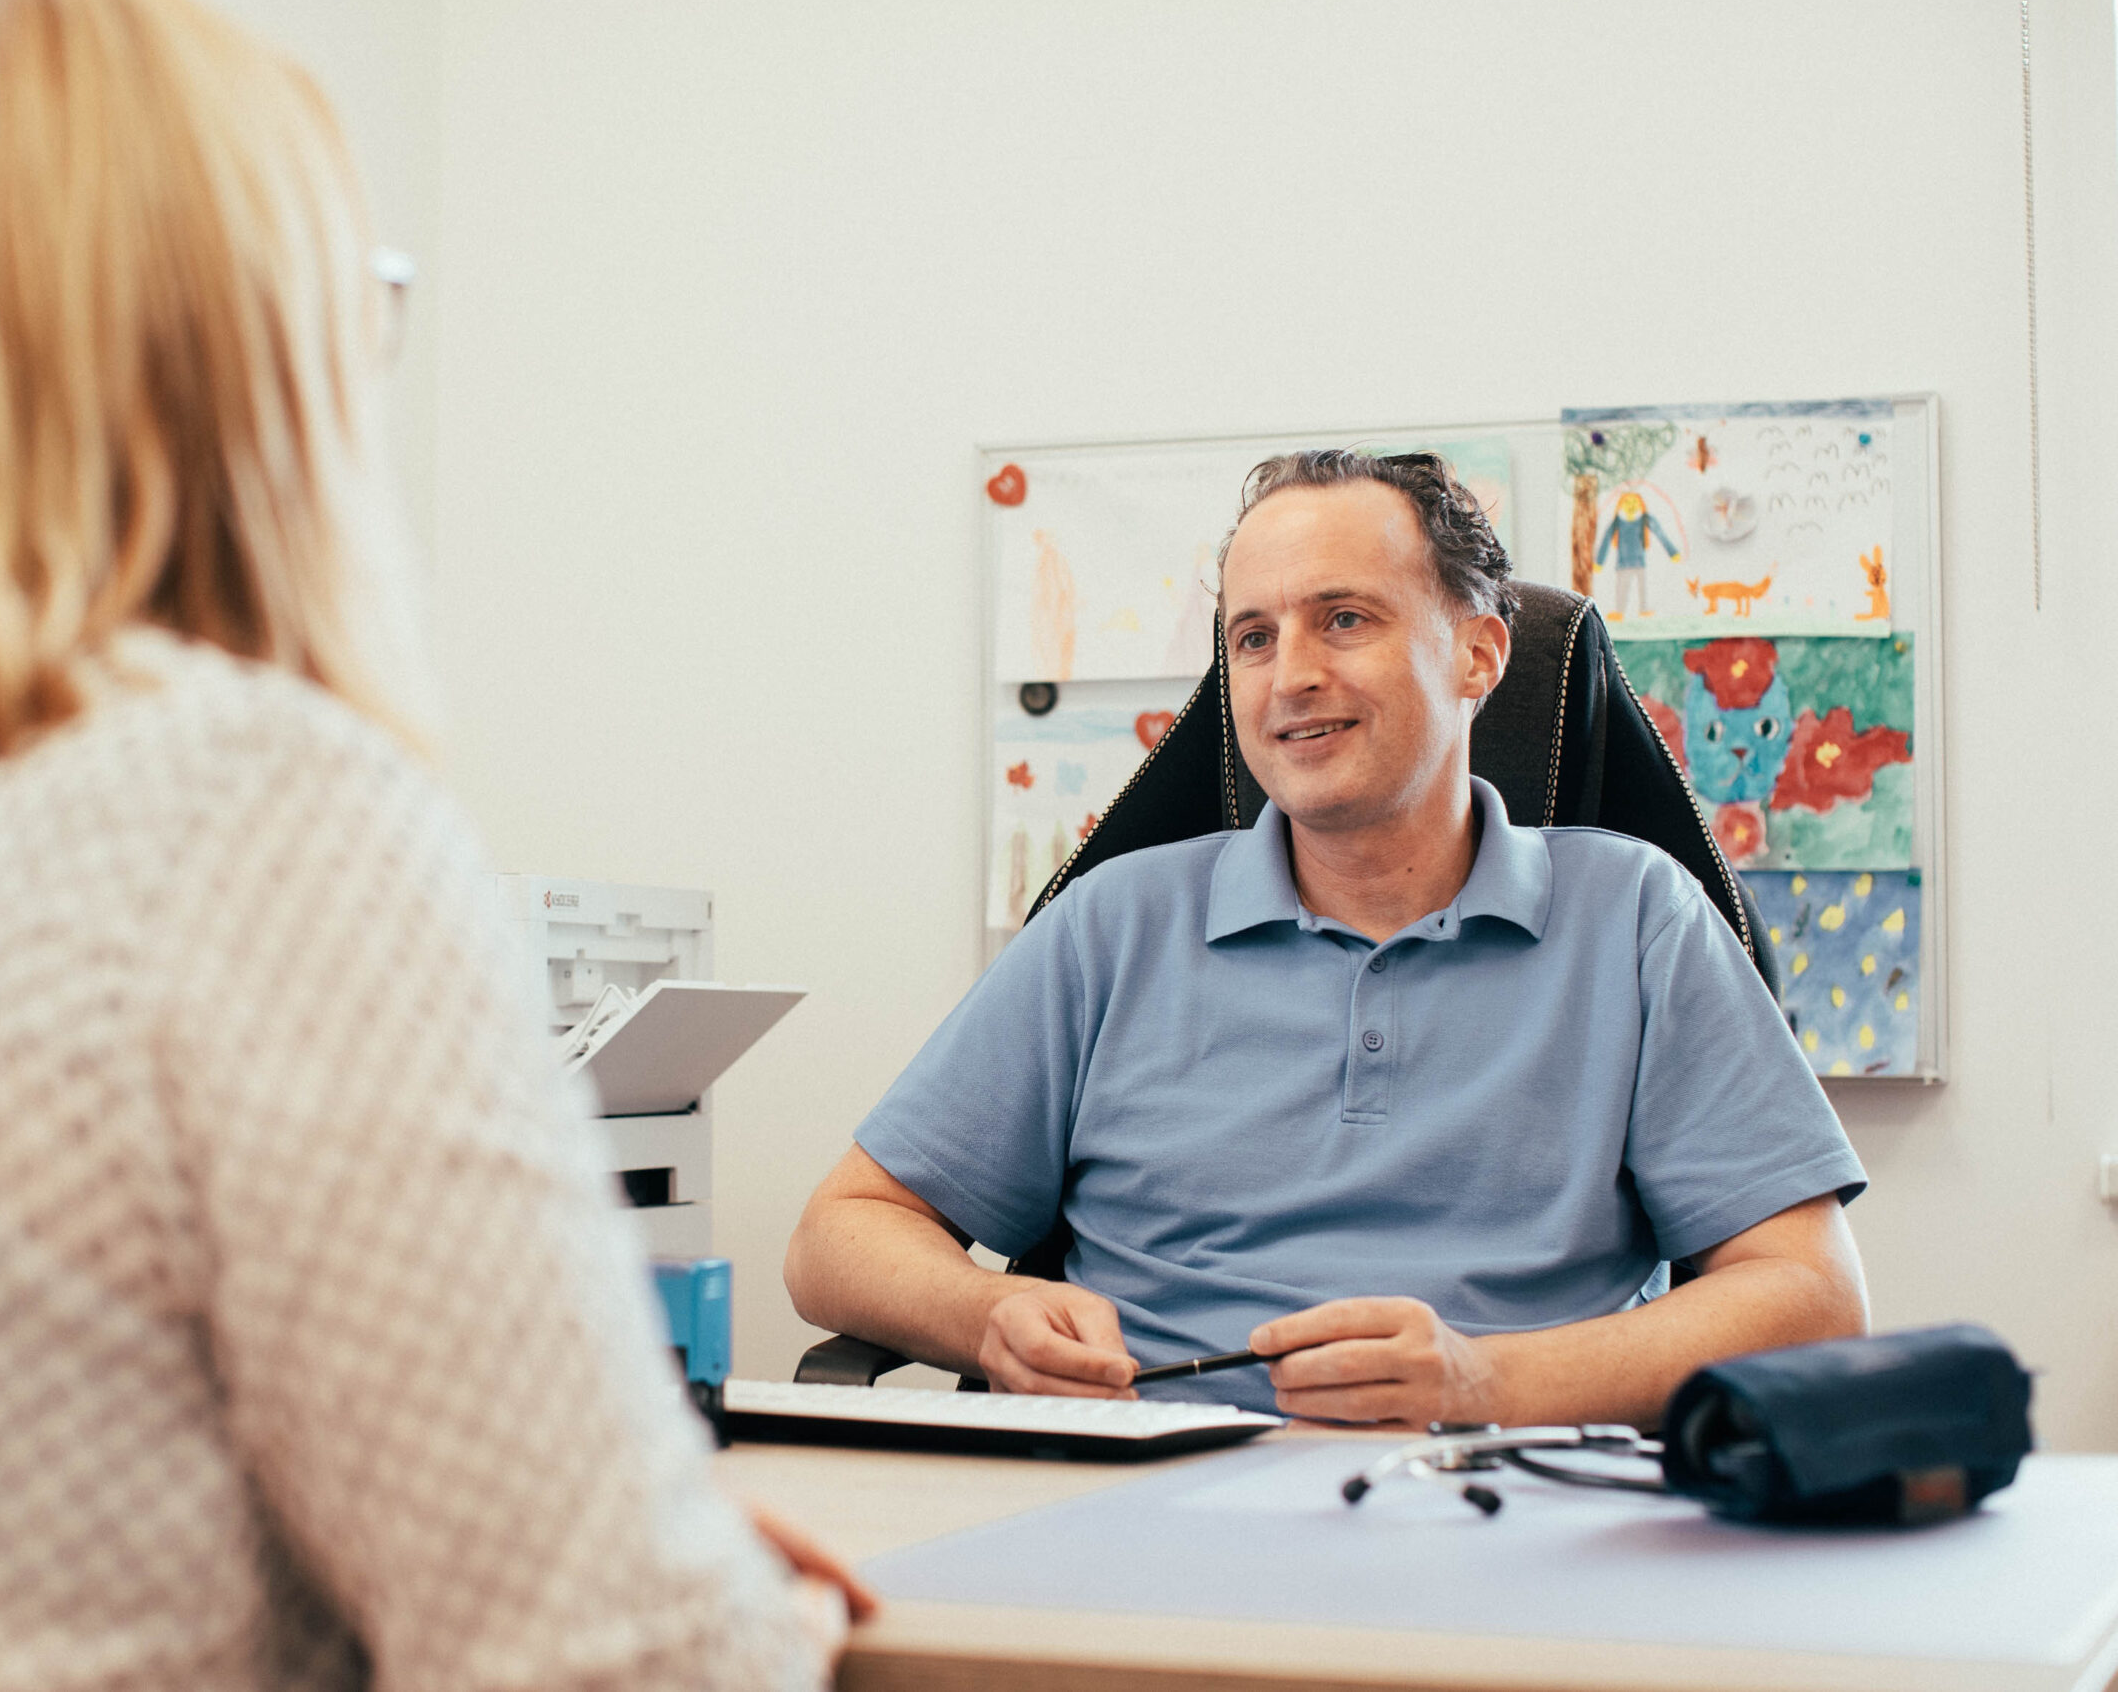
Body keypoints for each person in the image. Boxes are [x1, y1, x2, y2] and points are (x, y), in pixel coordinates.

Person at [0, 0, 859, 1686]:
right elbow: (629, 1669)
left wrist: (578, 1532)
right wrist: (739, 1602)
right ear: (254, 350)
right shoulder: (247, 817)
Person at [786, 450, 1869, 1429]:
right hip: (1158, 1503)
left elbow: (1812, 1295)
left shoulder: (1638, 917)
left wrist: (1481, 1382)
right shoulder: (1112, 924)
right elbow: (839, 1233)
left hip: (1508, 1493)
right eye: (1253, 637)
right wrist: (986, 1313)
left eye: (1343, 618)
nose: (1288, 674)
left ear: (1478, 655)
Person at [1595, 488, 1680, 619]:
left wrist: (1672, 552)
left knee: (1643, 588)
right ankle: (1619, 611)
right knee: (1622, 588)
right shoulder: (1618, 521)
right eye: (1627, 503)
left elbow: (1660, 534)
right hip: (1623, 563)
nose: (1631, 506)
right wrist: (1599, 561)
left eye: (1634, 503)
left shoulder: (1644, 519)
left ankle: (1644, 609)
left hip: (1640, 561)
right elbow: (1606, 540)